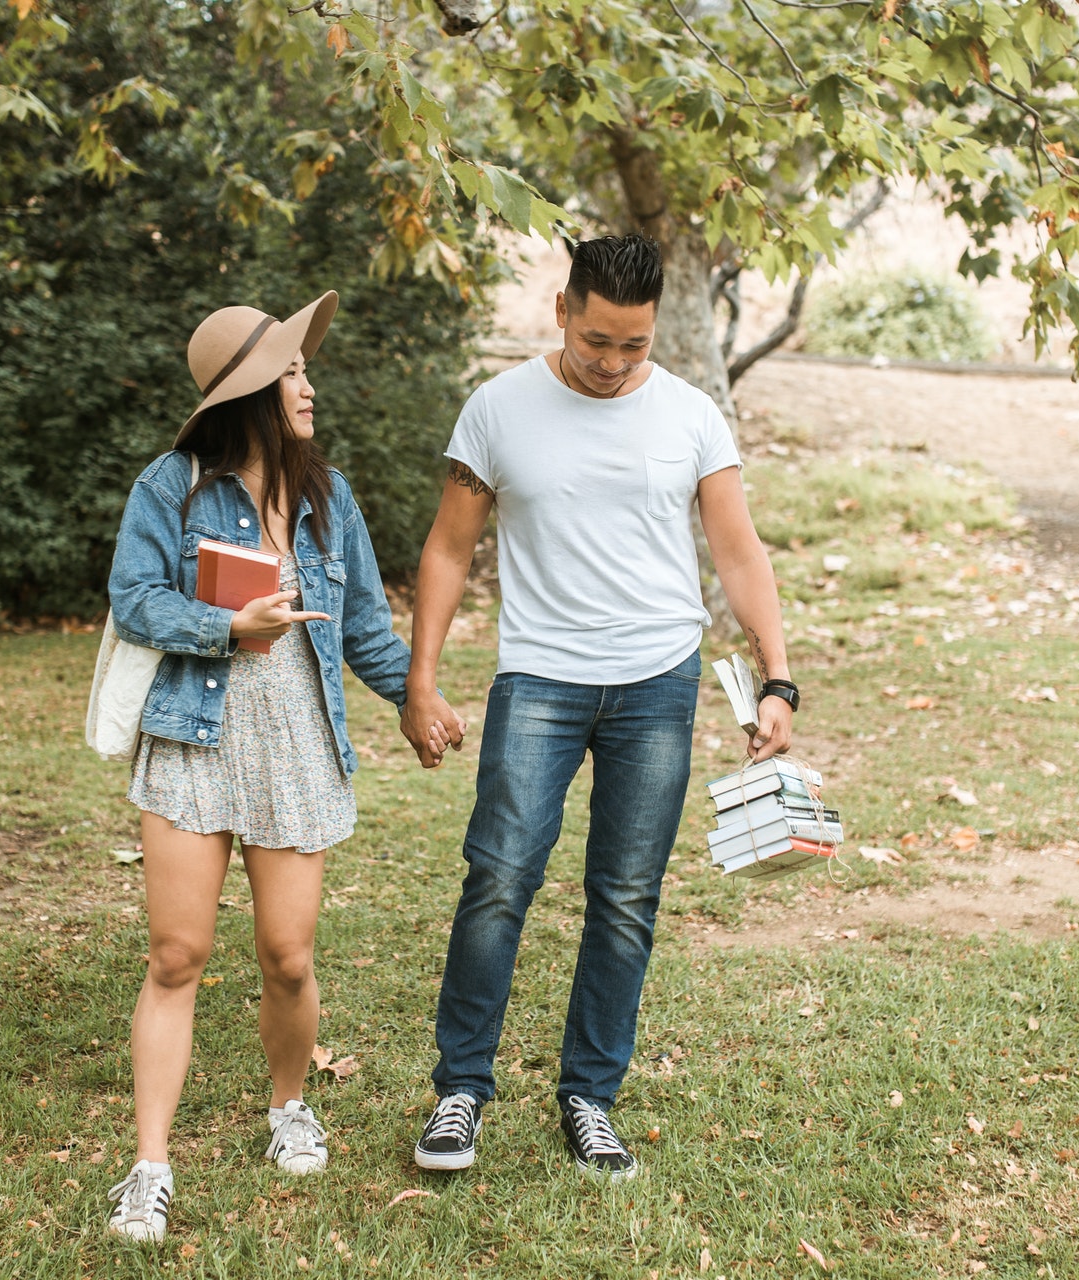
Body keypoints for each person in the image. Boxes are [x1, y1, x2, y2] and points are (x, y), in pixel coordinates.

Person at [398, 235, 799, 1180]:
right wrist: (421, 679)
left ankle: (590, 1098)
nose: (616, 365)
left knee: (624, 899)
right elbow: (448, 550)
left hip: (658, 682)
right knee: (498, 881)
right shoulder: (497, 410)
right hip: (538, 677)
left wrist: (776, 676)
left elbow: (738, 552)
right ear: (562, 310)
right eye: (598, 343)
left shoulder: (692, 415)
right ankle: (462, 1090)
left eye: (637, 346)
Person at [101, 292, 456, 1242]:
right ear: (253, 393)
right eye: (292, 372)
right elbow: (133, 599)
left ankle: (288, 1104)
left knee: (288, 958)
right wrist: (224, 627)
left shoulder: (328, 500)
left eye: (303, 368)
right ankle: (149, 1167)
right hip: (194, 741)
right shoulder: (168, 489)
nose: (308, 385)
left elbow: (364, 634)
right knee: (176, 957)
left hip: (297, 747)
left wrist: (415, 701)